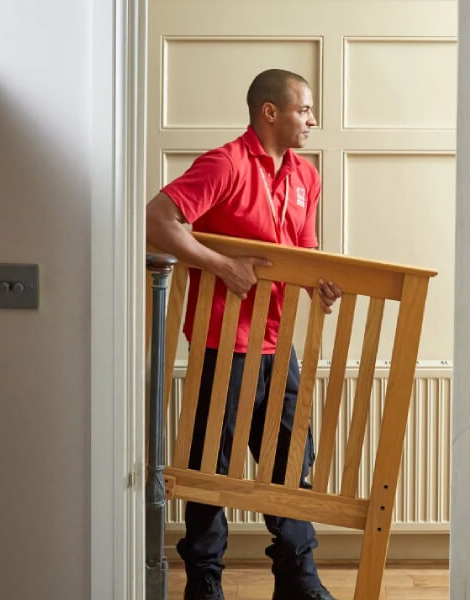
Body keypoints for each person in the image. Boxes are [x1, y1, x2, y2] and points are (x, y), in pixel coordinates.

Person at [146, 69, 341, 600]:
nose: (313, 120)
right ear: (270, 112)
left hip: (279, 345)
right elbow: (156, 220)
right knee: (212, 468)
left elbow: (304, 254)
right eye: (304, 110)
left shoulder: (305, 177)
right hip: (222, 343)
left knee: (288, 464)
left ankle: (297, 581)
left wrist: (322, 284)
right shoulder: (225, 164)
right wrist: (222, 264)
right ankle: (204, 586)